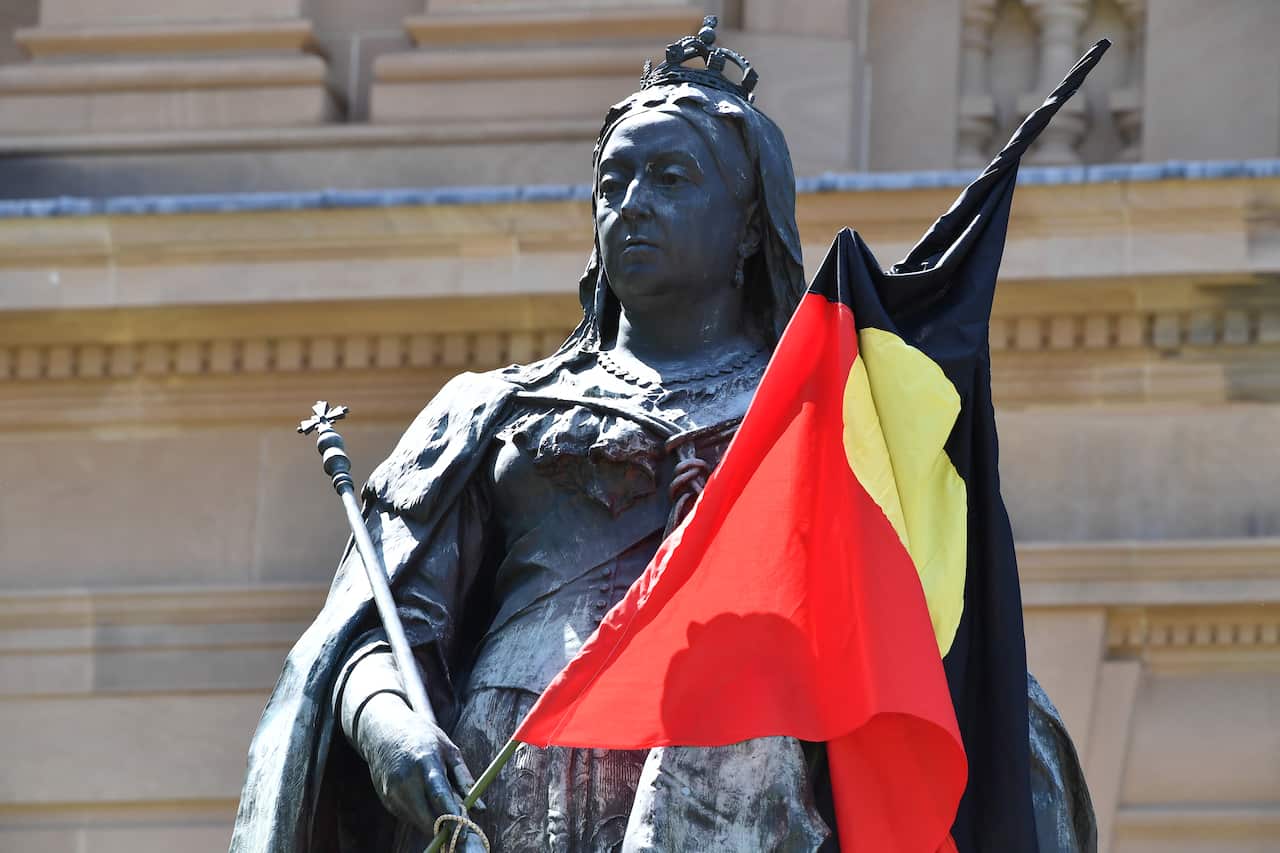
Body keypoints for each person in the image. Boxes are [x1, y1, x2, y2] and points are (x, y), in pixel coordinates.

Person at [230, 19, 1093, 853]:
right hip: (515, 779)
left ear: (751, 225)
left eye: (671, 179)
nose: (631, 207)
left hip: (739, 786)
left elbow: (918, 622)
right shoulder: (492, 408)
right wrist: (389, 729)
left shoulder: (818, 415)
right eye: (614, 183)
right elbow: (372, 627)